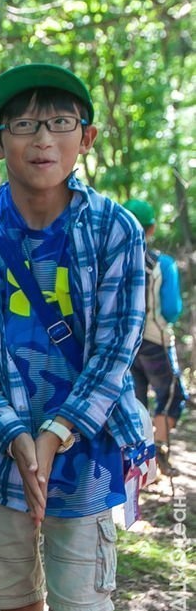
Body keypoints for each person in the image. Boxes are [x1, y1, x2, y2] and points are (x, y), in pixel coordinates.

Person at [0, 64, 147, 611]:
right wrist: (14, 435)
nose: (43, 139)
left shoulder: (115, 231)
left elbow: (115, 350)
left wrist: (54, 435)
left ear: (87, 137)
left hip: (86, 457)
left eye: (59, 123)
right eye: (25, 125)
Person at [124, 198, 188, 476]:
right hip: (155, 339)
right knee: (172, 396)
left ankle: (137, 460)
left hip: (126, 343)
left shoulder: (115, 261)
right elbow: (172, 309)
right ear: (151, 229)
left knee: (137, 399)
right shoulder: (162, 264)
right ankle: (159, 449)